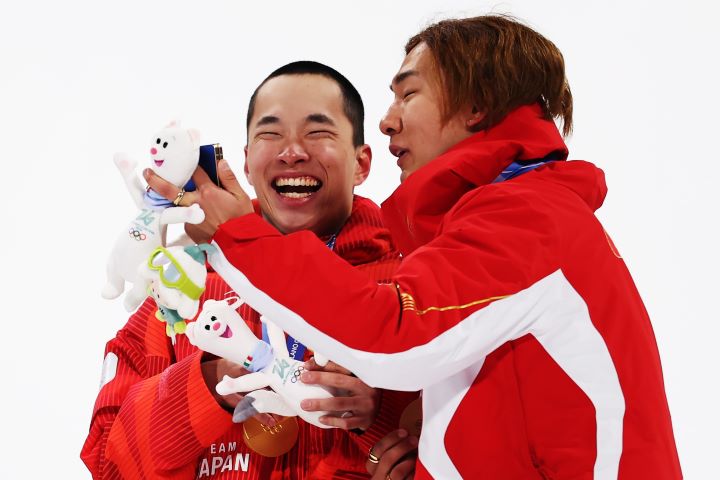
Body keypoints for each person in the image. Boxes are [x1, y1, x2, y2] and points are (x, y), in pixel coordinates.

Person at [163, 15, 683, 479]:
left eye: (408, 94)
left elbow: (392, 338)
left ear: (476, 105)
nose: (387, 120)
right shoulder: (508, 216)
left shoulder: (527, 216)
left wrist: (240, 236)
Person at [81, 61, 417, 479]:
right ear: (245, 162)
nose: (292, 152)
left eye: (318, 132)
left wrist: (381, 419)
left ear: (361, 163)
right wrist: (214, 379)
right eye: (270, 134)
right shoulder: (182, 289)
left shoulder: (414, 285)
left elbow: (471, 442)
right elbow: (107, 463)